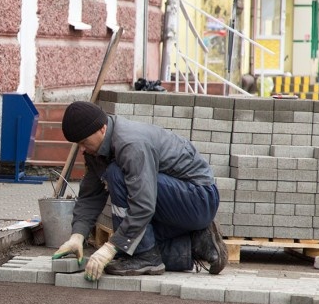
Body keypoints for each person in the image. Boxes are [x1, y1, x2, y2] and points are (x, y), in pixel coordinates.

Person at [52, 101, 228, 281]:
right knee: (128, 249)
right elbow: (91, 196)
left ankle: (146, 257)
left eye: (84, 142)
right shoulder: (97, 149)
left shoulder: (131, 145)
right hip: (178, 202)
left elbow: (143, 205)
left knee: (116, 176)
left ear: (102, 129)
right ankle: (197, 244)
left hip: (199, 200)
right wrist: (77, 236)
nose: (82, 149)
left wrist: (111, 247)